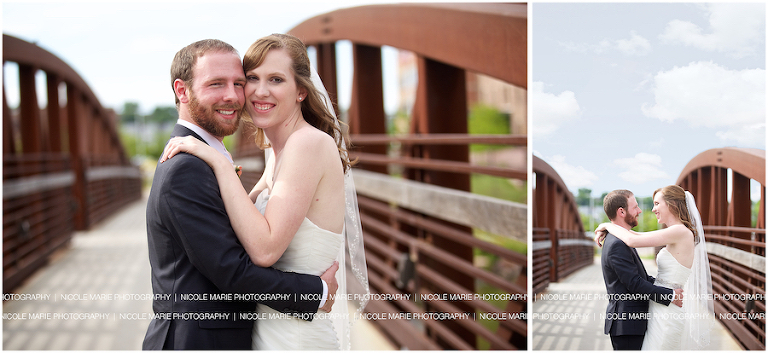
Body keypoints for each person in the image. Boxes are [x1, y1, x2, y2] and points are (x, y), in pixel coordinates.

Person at [160, 33, 370, 350]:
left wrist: (218, 162)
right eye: (252, 78)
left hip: (295, 337)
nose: (259, 91)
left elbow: (264, 250)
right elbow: (235, 232)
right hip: (269, 328)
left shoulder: (307, 144)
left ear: (301, 90)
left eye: (275, 79)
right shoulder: (276, 153)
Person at [596, 186, 714, 350]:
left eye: (657, 203)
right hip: (661, 305)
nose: (653, 209)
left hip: (668, 306)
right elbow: (635, 236)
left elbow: (633, 240)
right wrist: (609, 226)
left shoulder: (680, 231)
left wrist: (607, 226)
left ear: (671, 204)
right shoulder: (675, 231)